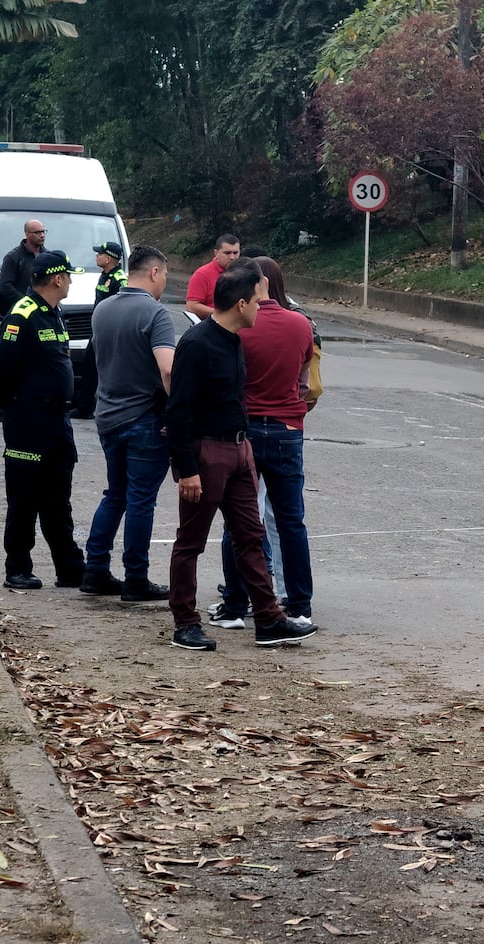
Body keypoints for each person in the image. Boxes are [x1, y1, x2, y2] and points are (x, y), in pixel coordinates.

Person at [164, 260, 317, 652]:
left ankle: (269, 619)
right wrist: (187, 469)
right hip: (207, 452)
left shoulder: (234, 340)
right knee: (191, 542)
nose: (263, 305)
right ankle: (185, 624)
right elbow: (178, 410)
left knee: (251, 536)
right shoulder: (197, 344)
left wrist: (245, 447)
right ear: (242, 303)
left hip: (240, 450)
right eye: (258, 298)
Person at [212, 256, 316, 630]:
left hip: (247, 428)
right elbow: (304, 376)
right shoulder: (300, 324)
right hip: (289, 429)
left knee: (239, 520)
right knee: (291, 521)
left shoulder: (239, 327)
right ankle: (300, 603)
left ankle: (236, 603)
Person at [80, 245, 176, 602]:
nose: (164, 282)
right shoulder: (155, 314)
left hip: (108, 416)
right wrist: (178, 412)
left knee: (115, 494)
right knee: (140, 500)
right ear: (153, 272)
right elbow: (167, 368)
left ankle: (95, 569)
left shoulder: (103, 309)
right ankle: (136, 577)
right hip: (144, 419)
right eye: (164, 275)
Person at [0, 250, 87, 591]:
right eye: (69, 276)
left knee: (58, 497)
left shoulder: (54, 313)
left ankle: (70, 568)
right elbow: (2, 364)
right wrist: (2, 404)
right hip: (28, 419)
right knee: (24, 497)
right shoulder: (24, 314)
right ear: (57, 278)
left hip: (56, 419)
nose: (71, 281)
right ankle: (17, 567)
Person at [72, 241, 127, 420]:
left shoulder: (119, 279)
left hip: (109, 333)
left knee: (103, 370)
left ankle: (88, 406)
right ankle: (83, 404)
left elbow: (122, 308)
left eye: (99, 253)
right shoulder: (104, 275)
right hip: (98, 330)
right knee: (89, 367)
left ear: (109, 258)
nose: (96, 256)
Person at [184, 233, 240, 321]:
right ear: (216, 253)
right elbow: (191, 306)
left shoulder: (244, 273)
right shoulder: (202, 274)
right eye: (227, 253)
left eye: (235, 253)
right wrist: (223, 315)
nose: (232, 257)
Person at [0, 220, 47, 316]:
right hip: (20, 312)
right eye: (37, 232)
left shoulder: (47, 256)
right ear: (27, 234)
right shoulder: (13, 257)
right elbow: (5, 285)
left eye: (43, 231)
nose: (42, 235)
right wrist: (25, 302)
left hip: (44, 309)